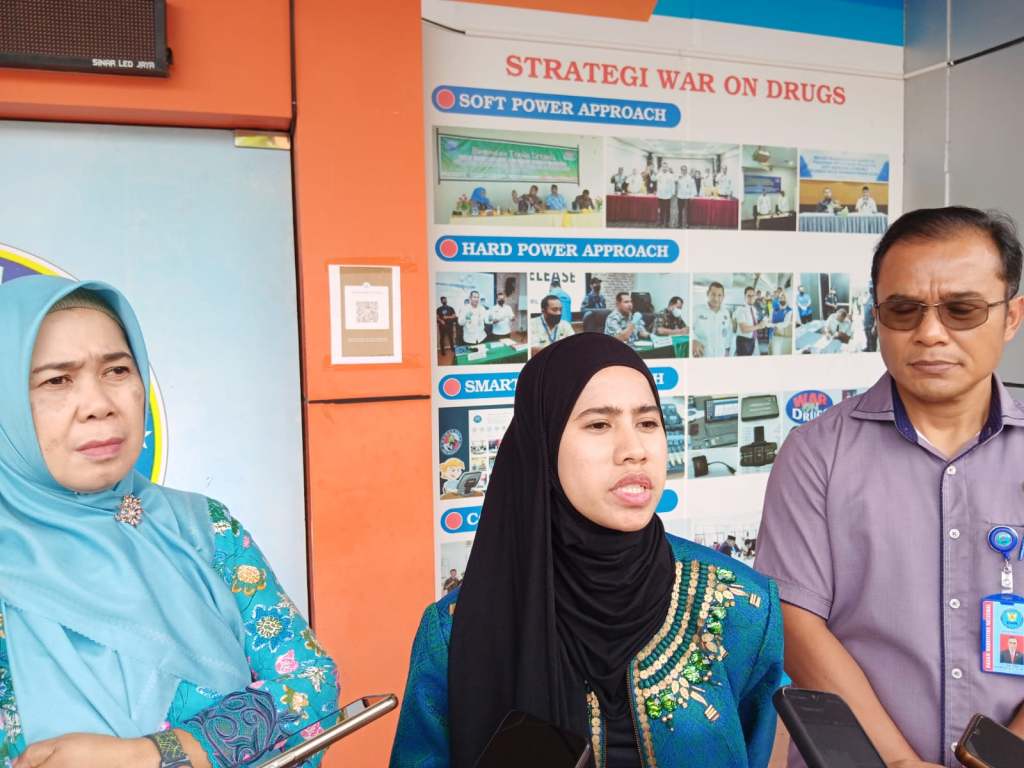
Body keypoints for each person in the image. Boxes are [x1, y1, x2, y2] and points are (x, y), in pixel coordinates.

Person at [389, 333, 784, 768]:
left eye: (647, 423)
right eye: (599, 425)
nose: (634, 451)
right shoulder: (455, 631)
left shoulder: (741, 607)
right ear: (544, 442)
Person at [0, 276, 339, 768]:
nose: (99, 405)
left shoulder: (201, 528)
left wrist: (151, 755)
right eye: (57, 380)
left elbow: (310, 685)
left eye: (117, 370)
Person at [755, 206, 1024, 767]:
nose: (930, 333)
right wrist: (898, 762)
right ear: (877, 316)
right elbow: (797, 623)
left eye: (962, 310)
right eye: (904, 310)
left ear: (1011, 316)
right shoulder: (815, 454)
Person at [691, 282, 733, 358]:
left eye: (719, 295)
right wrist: (692, 340)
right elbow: (688, 329)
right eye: (713, 294)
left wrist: (727, 350)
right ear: (708, 294)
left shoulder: (726, 313)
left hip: (720, 356)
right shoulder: (697, 310)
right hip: (702, 356)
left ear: (723, 297)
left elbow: (728, 333)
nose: (716, 298)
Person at [733, 286, 766, 357]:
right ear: (745, 297)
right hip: (743, 341)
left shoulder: (753, 309)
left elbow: (754, 325)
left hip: (752, 340)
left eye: (753, 296)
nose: (751, 298)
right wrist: (759, 326)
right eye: (749, 296)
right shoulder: (741, 310)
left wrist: (762, 324)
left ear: (755, 297)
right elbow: (744, 329)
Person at [769, 291, 794, 355]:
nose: (782, 299)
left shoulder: (789, 310)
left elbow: (785, 324)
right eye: (780, 297)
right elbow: (769, 322)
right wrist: (772, 325)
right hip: (772, 334)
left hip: (783, 336)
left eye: (784, 297)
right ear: (778, 299)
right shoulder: (773, 309)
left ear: (787, 299)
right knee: (772, 352)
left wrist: (773, 325)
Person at [655, 163, 676, 228]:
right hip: (660, 195)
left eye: (665, 167)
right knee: (661, 209)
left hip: (668, 195)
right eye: (663, 167)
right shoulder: (659, 174)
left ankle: (667, 222)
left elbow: (673, 184)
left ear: (667, 168)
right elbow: (654, 179)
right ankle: (661, 221)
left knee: (667, 209)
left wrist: (673, 193)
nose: (664, 168)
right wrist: (656, 172)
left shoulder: (670, 175)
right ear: (662, 167)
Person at [676, 165, 696, 229]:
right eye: (682, 170)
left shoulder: (690, 178)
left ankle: (687, 223)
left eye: (685, 170)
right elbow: (674, 181)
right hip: (680, 196)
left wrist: (692, 196)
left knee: (687, 211)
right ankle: (679, 224)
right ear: (681, 170)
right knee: (680, 211)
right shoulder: (678, 177)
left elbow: (693, 187)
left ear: (686, 170)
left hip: (687, 197)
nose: (684, 171)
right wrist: (678, 178)